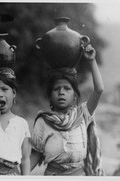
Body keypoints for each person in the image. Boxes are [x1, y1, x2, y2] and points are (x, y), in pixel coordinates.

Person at [30, 44, 105, 176]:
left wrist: (92, 60)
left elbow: (99, 90)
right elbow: (34, 155)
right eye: (56, 89)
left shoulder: (82, 115)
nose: (61, 92)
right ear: (50, 96)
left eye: (67, 88)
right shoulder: (43, 122)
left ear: (75, 96)